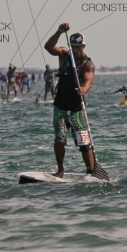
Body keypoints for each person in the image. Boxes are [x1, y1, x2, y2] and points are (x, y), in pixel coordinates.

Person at [45, 23, 104, 179]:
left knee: (84, 143)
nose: (76, 49)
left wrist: (84, 89)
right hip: (60, 106)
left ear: (83, 47)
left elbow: (88, 80)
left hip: (77, 108)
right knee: (59, 138)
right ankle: (60, 170)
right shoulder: (64, 54)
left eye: (79, 47)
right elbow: (48, 48)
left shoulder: (88, 64)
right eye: (74, 46)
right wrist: (58, 32)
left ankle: (91, 171)